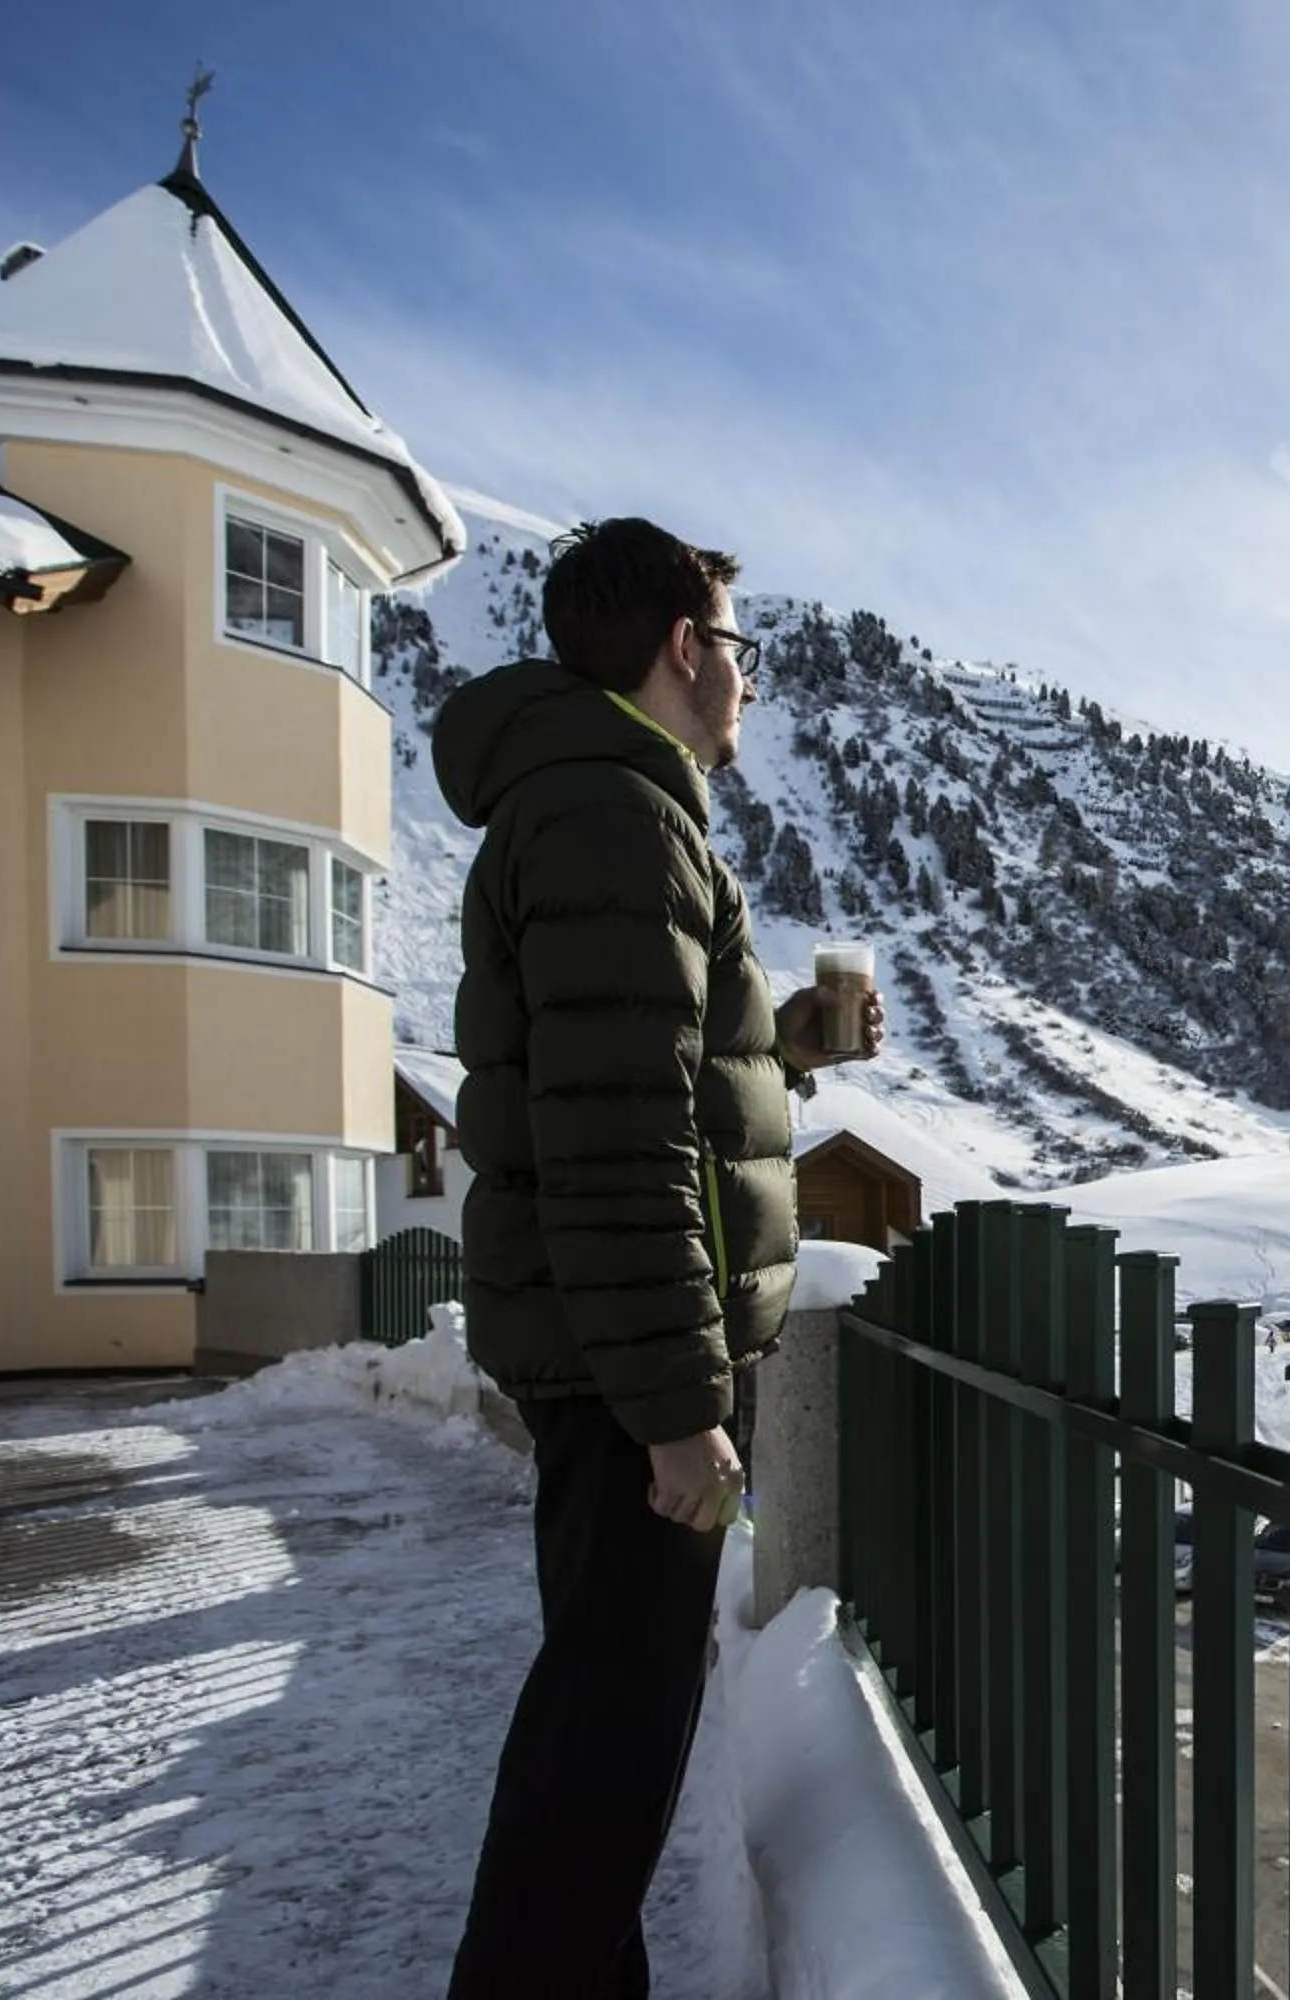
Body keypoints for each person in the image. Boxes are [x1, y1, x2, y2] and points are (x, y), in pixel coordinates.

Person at [437, 517, 882, 1997]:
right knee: (597, 1777)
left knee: (603, 1759)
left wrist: (781, 1051)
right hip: (630, 1375)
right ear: (686, 648)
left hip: (604, 1357)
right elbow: (617, 1145)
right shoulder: (612, 819)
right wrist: (681, 1412)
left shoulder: (594, 803)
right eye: (735, 645)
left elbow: (641, 1082)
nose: (746, 678)